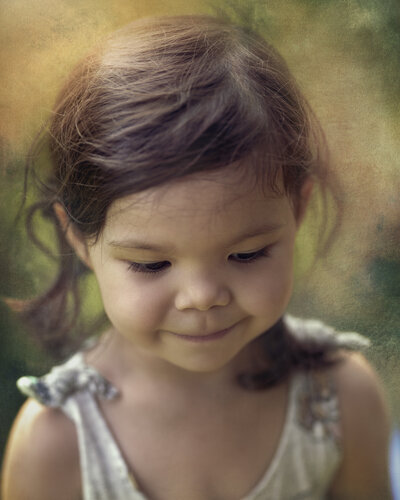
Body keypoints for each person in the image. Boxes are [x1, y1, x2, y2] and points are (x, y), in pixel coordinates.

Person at [1, 14, 391, 500]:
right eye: (151, 264)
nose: (202, 296)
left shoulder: (340, 402)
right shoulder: (55, 443)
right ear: (79, 239)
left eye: (247, 254)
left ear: (298, 210)